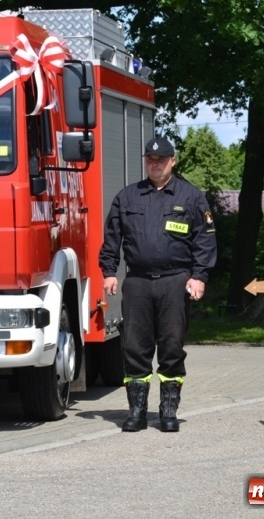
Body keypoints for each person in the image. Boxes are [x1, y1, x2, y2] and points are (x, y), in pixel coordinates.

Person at [99, 137, 217, 433]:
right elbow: (112, 237)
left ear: (172, 161)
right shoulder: (128, 197)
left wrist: (199, 276)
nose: (155, 164)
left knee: (171, 345)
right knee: (134, 347)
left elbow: (205, 240)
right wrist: (109, 271)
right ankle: (137, 412)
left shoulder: (190, 197)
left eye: (161, 160)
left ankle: (168, 412)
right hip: (137, 282)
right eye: (150, 160)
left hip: (175, 282)